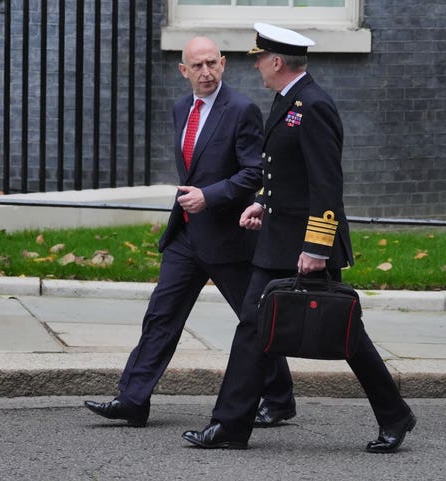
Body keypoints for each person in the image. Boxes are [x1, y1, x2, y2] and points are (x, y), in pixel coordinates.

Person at [182, 23, 416, 453]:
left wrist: (316, 246)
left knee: (346, 333)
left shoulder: (313, 105)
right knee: (253, 327)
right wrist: (263, 203)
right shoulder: (287, 101)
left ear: (275, 62)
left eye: (259, 58)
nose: (255, 66)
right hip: (278, 240)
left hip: (306, 245)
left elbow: (326, 184)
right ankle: (231, 424)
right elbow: (286, 173)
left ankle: (395, 415)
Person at [84, 36, 295, 427]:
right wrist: (194, 203)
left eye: (212, 63)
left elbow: (254, 171)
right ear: (184, 70)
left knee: (253, 319)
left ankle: (279, 398)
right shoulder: (182, 107)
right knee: (161, 315)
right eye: (197, 66)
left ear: (224, 64)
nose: (206, 72)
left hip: (229, 239)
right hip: (186, 236)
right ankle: (132, 399)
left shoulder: (242, 109)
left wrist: (209, 197)